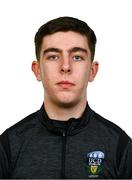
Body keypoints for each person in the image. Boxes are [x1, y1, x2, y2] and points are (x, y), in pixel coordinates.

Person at [0, 16, 132, 179]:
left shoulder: (120, 146)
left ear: (92, 70)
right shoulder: (8, 146)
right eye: (53, 56)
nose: (65, 67)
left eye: (77, 57)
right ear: (37, 70)